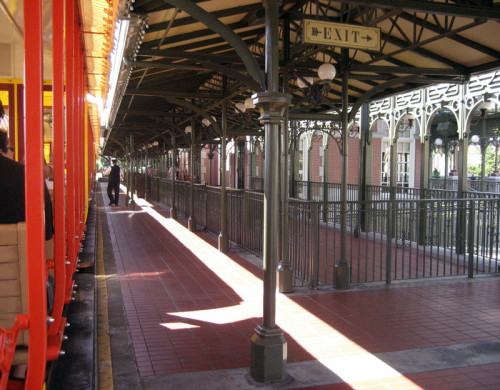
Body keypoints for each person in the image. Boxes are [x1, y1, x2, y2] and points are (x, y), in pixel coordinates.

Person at [0, 130, 54, 240]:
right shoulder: (25, 174)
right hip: (20, 250)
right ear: (1, 150)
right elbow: (47, 225)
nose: (13, 152)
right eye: (12, 148)